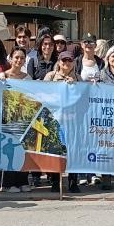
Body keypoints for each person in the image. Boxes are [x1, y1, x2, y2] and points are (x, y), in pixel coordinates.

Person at [0, 47, 33, 193]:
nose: (19, 60)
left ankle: (23, 181)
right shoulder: (2, 76)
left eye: (22, 58)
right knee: (9, 151)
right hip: (7, 118)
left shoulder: (27, 78)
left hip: (23, 118)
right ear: (11, 59)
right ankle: (8, 183)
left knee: (23, 150)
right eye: (16, 57)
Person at [44, 51, 81, 192]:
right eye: (64, 60)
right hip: (55, 119)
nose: (67, 63)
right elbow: (43, 93)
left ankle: (73, 181)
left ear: (74, 62)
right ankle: (55, 181)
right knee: (55, 150)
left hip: (72, 120)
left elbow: (84, 96)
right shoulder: (50, 76)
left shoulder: (78, 77)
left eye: (70, 60)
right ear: (59, 62)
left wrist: (75, 85)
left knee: (73, 151)